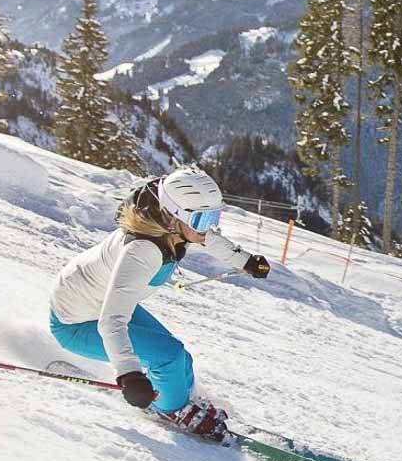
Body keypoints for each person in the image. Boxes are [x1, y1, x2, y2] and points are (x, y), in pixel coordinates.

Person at [46, 165, 270, 439]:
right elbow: (111, 321)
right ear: (175, 216)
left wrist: (245, 261)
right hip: (75, 322)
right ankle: (173, 409)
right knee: (168, 357)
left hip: (96, 300)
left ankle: (180, 399)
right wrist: (128, 374)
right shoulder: (142, 251)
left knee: (180, 357)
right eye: (202, 220)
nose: (209, 227)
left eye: (214, 216)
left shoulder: (170, 226)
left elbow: (208, 238)